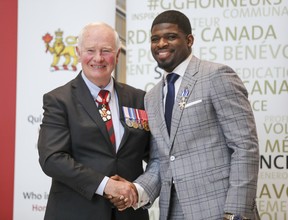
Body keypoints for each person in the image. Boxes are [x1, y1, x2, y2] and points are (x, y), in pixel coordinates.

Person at [112, 10, 260, 220]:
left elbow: (245, 147)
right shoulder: (152, 97)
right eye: (155, 39)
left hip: (219, 211)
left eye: (170, 36)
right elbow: (160, 160)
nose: (161, 43)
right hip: (172, 213)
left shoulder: (216, 76)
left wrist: (236, 213)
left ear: (189, 40)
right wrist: (136, 190)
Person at [37, 22, 150, 220]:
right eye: (90, 50)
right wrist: (107, 185)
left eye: (106, 51)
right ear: (78, 52)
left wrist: (138, 190)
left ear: (116, 55)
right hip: (75, 212)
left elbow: (156, 155)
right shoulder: (59, 100)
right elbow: (52, 158)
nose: (98, 58)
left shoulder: (139, 99)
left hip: (130, 214)